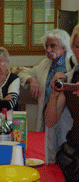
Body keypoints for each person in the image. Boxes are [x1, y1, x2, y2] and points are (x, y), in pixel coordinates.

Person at [18, 28, 76, 163]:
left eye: (53, 46)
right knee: (48, 152)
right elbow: (23, 73)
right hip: (47, 115)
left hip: (67, 117)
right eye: (47, 46)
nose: (48, 50)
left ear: (63, 47)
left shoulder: (72, 65)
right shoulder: (45, 64)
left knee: (66, 153)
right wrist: (32, 80)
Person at [45, 24, 79, 182]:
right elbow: (50, 121)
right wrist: (55, 92)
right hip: (74, 153)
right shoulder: (71, 77)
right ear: (72, 48)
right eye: (78, 46)